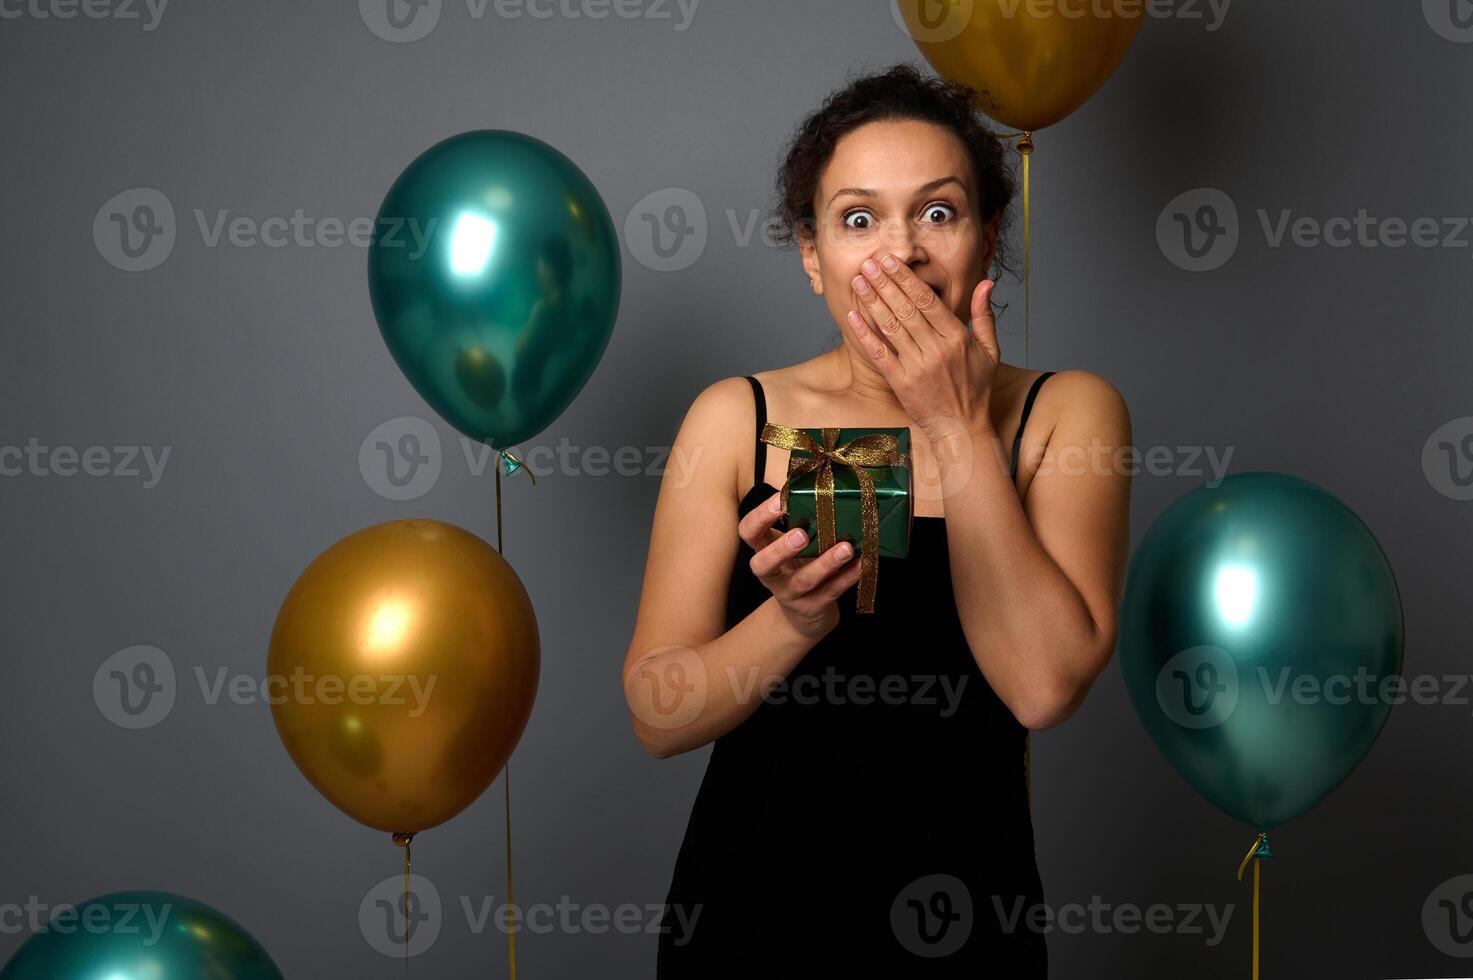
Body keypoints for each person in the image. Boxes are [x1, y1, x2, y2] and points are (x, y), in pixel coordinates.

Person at [622, 62, 1132, 977]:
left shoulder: (1065, 414)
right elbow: (656, 717)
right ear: (813, 256)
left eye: (938, 212)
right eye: (858, 220)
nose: (898, 254)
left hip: (965, 921)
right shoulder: (736, 418)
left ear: (987, 241)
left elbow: (1043, 688)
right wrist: (791, 619)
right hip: (750, 920)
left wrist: (951, 421)